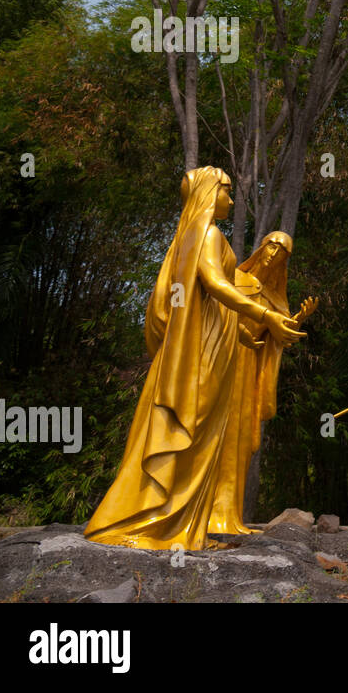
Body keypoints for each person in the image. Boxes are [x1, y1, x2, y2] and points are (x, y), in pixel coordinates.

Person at [85, 168, 304, 551]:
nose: (232, 201)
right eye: (227, 192)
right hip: (198, 358)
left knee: (198, 439)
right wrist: (266, 316)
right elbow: (216, 287)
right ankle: (151, 523)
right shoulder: (205, 233)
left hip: (211, 349)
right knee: (187, 432)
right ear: (208, 192)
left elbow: (212, 308)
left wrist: (252, 335)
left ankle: (184, 530)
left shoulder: (192, 235)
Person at [208, 231, 317, 535]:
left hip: (247, 369)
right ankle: (200, 510)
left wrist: (297, 319)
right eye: (272, 246)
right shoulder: (231, 277)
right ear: (261, 247)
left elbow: (281, 336)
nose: (274, 254)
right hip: (219, 360)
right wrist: (235, 331)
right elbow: (212, 309)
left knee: (242, 440)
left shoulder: (276, 298)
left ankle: (228, 514)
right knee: (212, 429)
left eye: (282, 252)